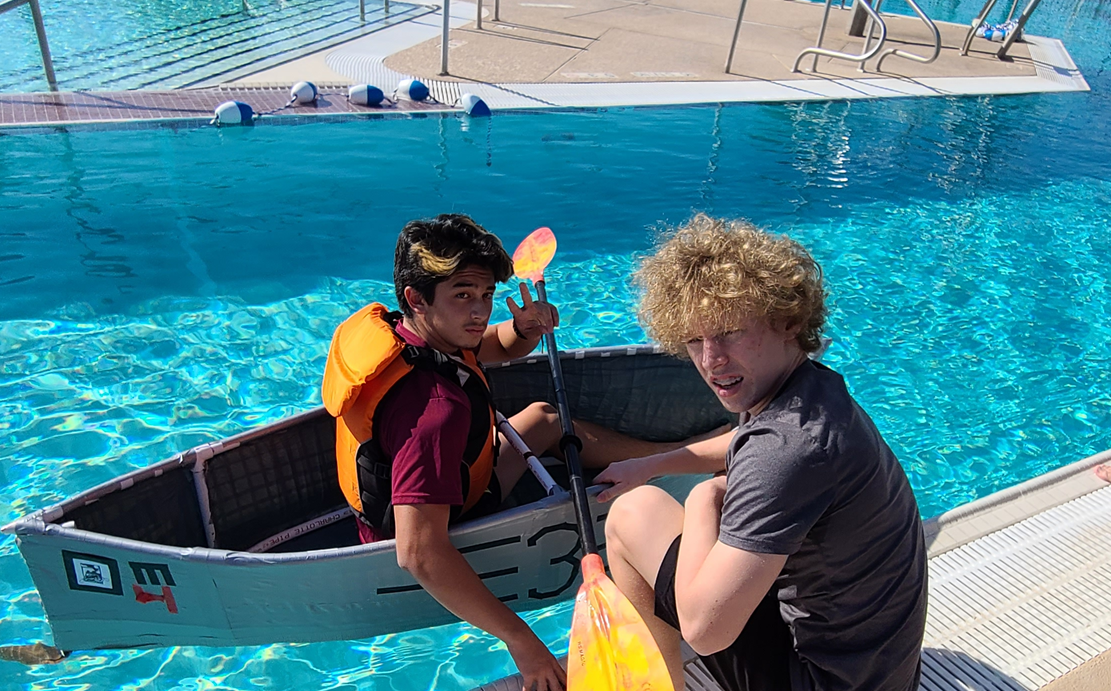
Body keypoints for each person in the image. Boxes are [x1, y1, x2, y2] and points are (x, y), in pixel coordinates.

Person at [322, 214, 694, 691]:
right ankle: (680, 460)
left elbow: (489, 347)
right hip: (444, 517)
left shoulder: (404, 331)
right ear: (417, 298)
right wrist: (522, 640)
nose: (480, 313)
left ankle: (668, 456)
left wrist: (521, 331)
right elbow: (418, 553)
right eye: (463, 296)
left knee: (541, 418)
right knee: (540, 424)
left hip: (430, 483)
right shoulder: (434, 414)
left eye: (485, 296)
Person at [596, 214, 928, 691]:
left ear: (788, 321)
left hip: (821, 681)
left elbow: (705, 631)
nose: (711, 360)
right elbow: (743, 442)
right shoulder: (813, 392)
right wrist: (654, 463)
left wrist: (703, 498)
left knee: (634, 513)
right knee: (656, 499)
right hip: (878, 670)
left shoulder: (785, 449)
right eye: (694, 339)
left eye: (728, 332)